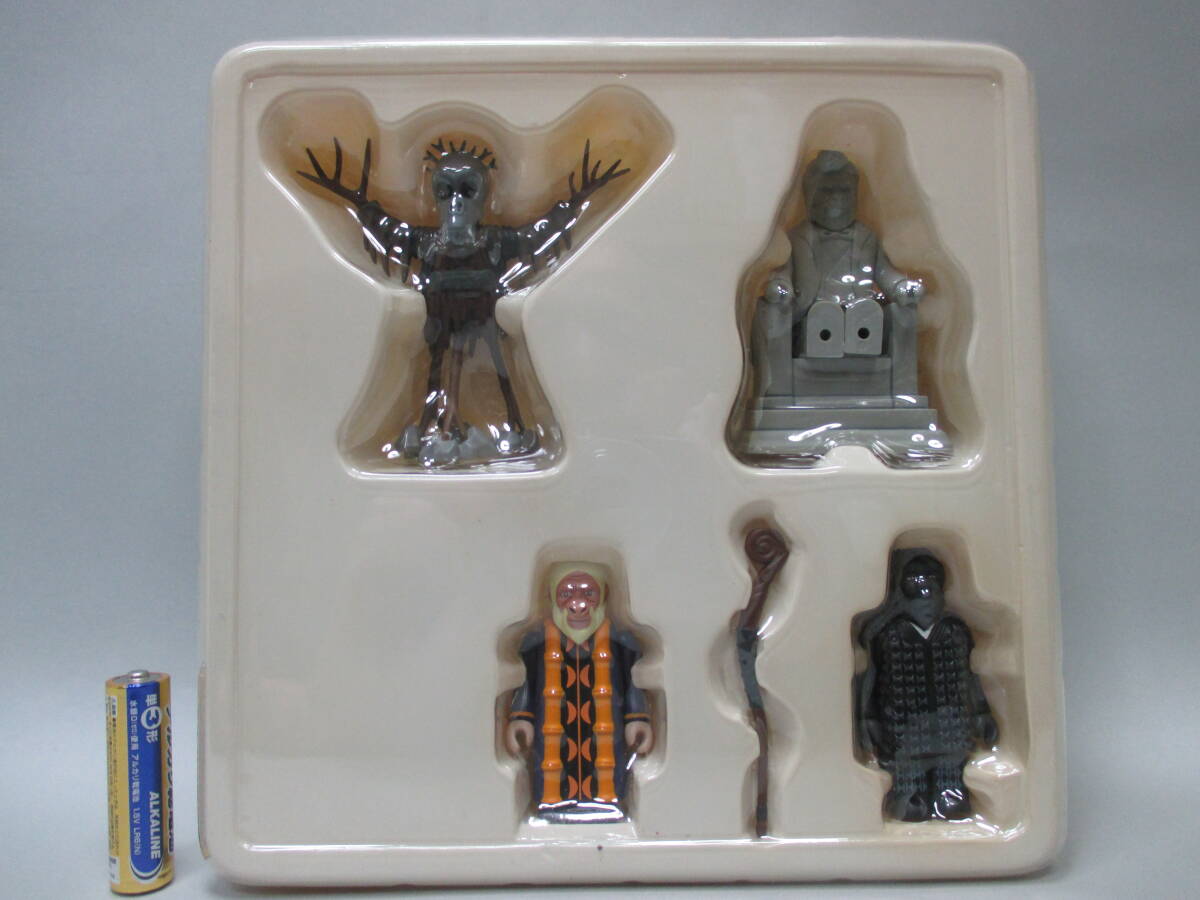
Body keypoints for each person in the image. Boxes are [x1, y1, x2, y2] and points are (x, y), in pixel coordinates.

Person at [855, 550, 998, 821]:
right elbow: (870, 677)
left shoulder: (955, 632)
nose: (927, 601)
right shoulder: (888, 634)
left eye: (933, 592)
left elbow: (970, 675)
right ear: (902, 596)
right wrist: (867, 718)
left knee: (951, 773)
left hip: (950, 726)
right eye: (918, 594)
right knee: (910, 790)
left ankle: (950, 790)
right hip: (903, 729)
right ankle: (909, 794)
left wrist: (982, 712)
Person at [506, 563, 653, 823]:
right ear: (552, 597)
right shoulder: (537, 645)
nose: (578, 605)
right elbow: (527, 683)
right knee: (551, 765)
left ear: (603, 597)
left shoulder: (620, 645)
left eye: (588, 594)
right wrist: (521, 717)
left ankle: (605, 802)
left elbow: (632, 683)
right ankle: (553, 804)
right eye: (566, 594)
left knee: (606, 764)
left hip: (606, 734)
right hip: (551, 738)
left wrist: (637, 718)